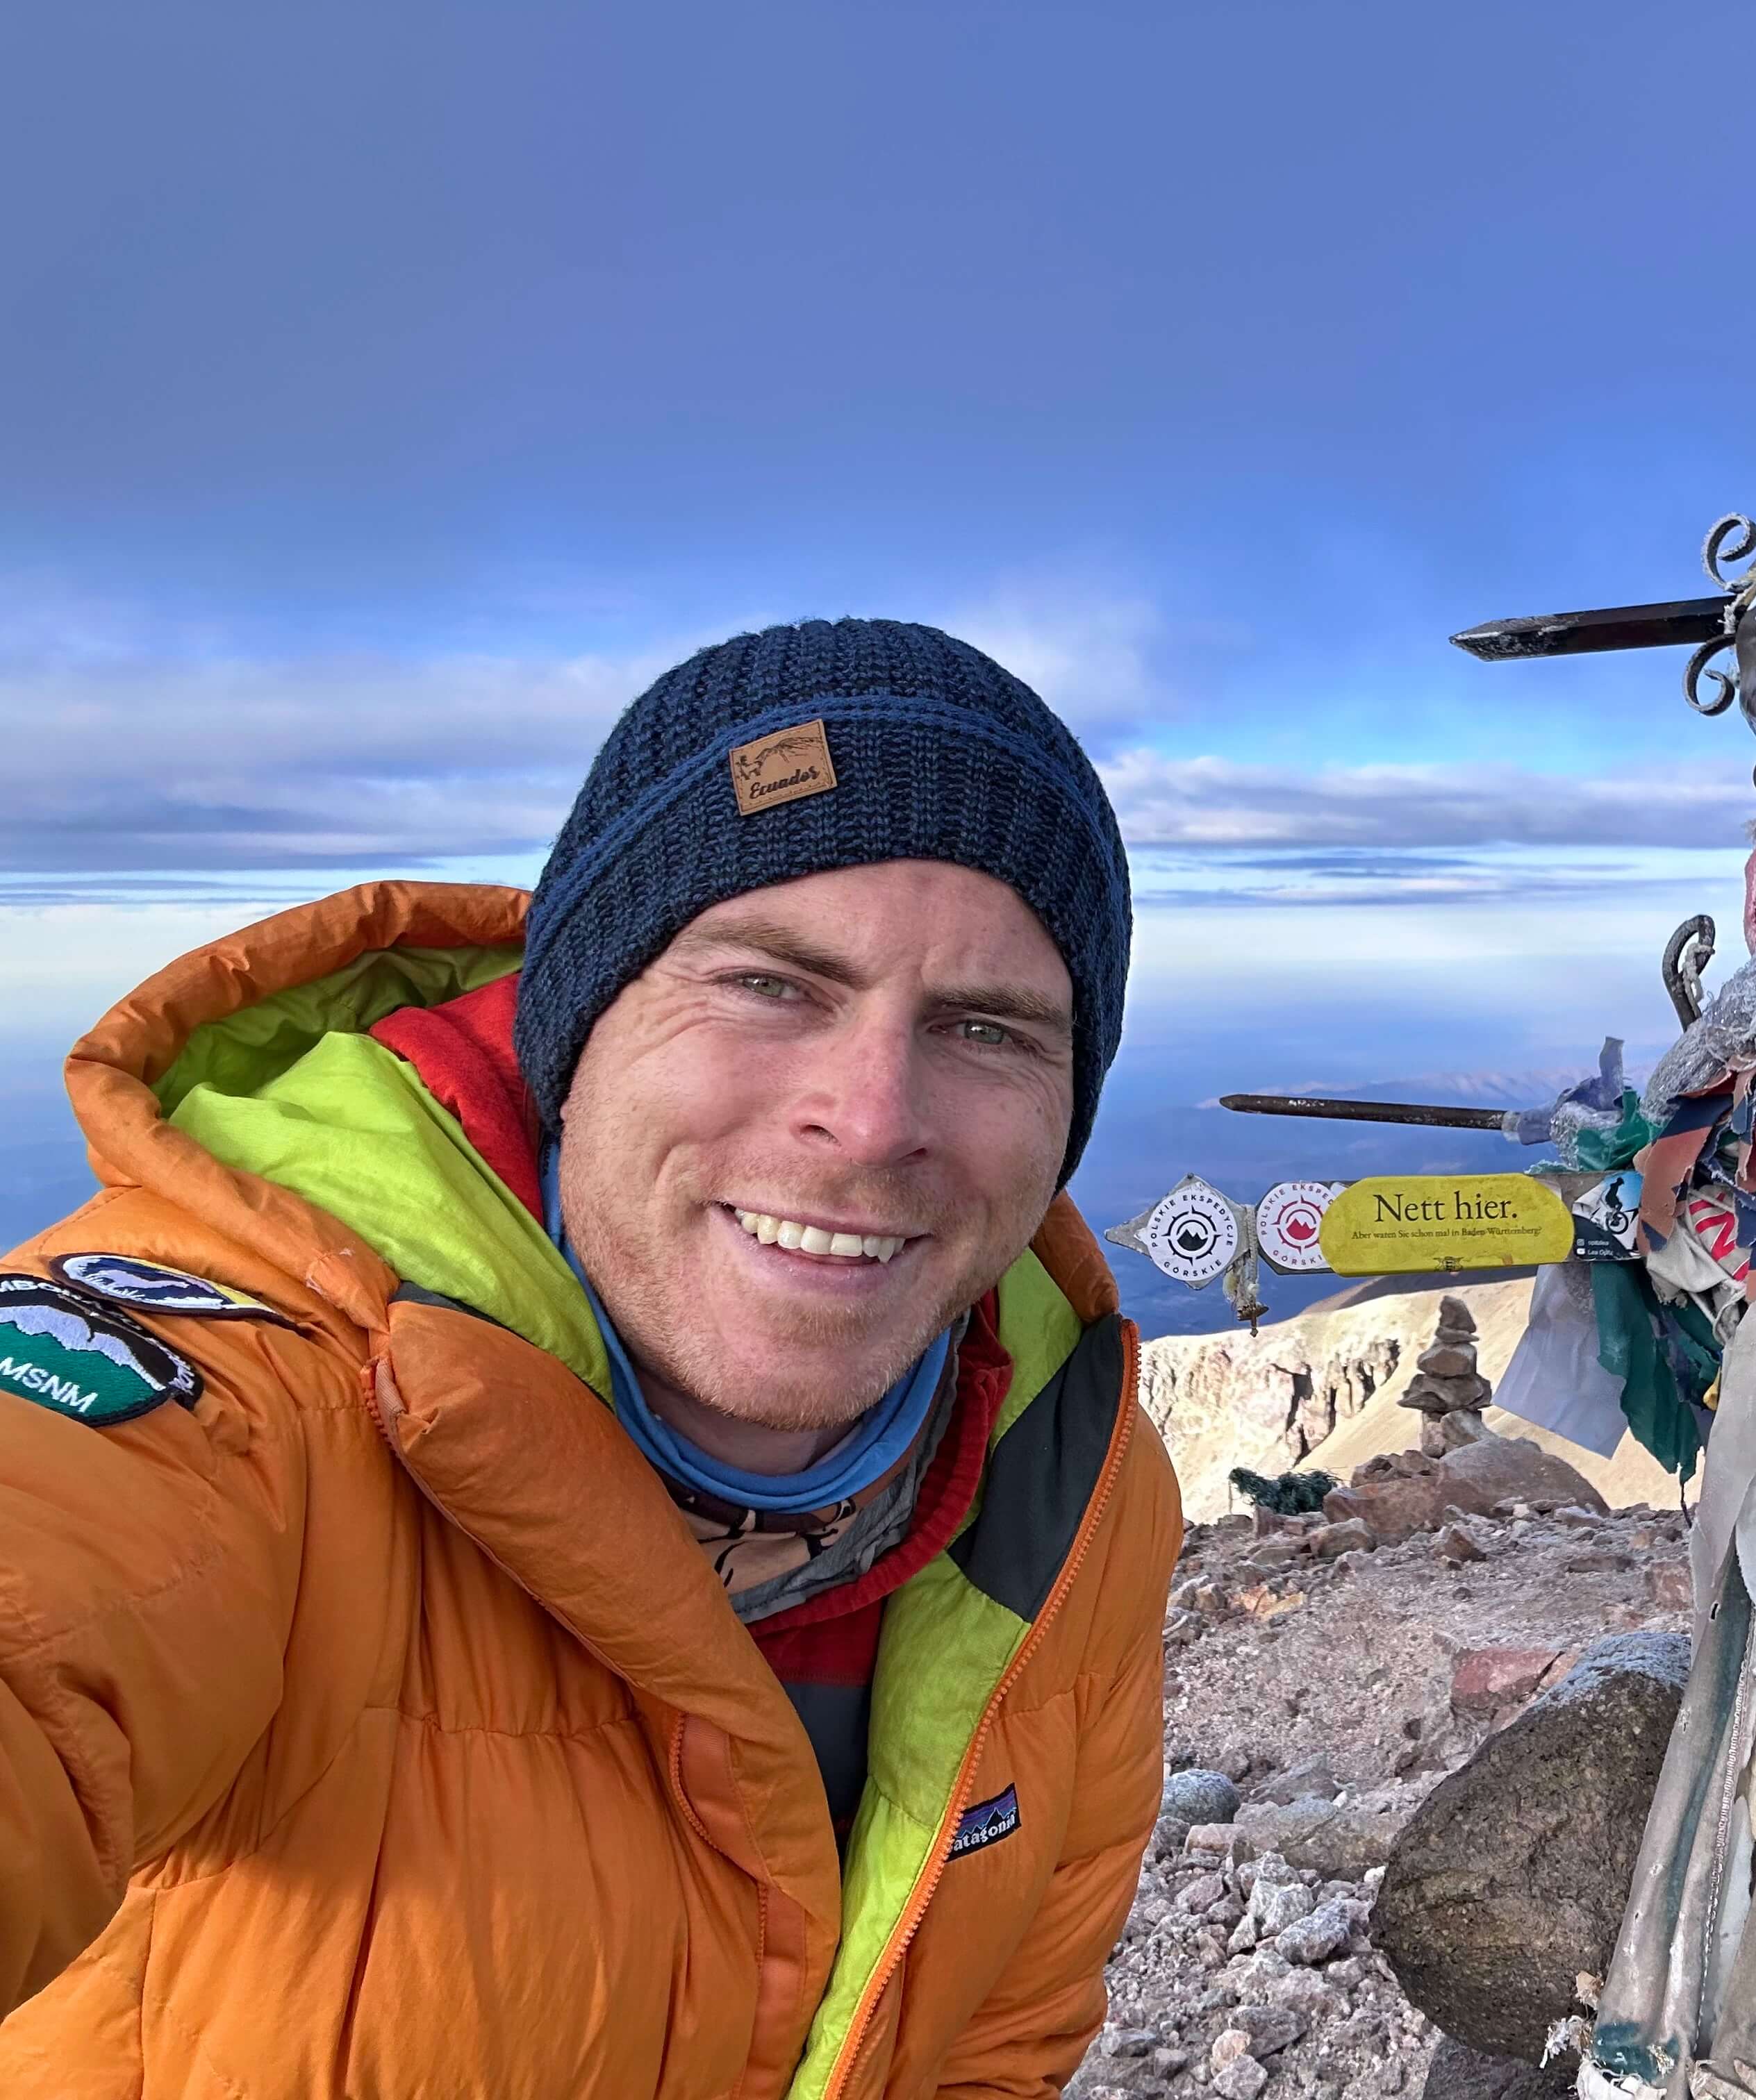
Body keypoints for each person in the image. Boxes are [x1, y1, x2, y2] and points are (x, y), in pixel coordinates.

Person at [0, 619, 1181, 2097]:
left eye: (986, 1027)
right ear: (578, 1022)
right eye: (771, 985)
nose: (872, 1118)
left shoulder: (1074, 1488)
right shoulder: (246, 1384)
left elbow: (995, 2043)